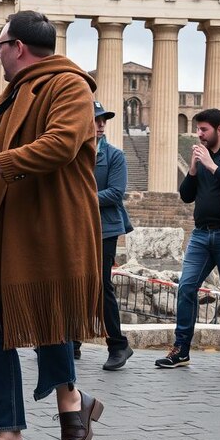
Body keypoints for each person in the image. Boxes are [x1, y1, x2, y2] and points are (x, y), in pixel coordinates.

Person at [0, 10, 104, 440]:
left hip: (52, 226)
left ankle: (73, 405)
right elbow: (1, 165)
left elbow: (62, 143)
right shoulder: (11, 96)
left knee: (47, 316)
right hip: (10, 228)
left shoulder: (71, 85)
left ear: (17, 47)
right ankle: (10, 439)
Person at [155, 108, 220, 373]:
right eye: (198, 129)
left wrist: (212, 166)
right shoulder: (200, 157)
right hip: (201, 234)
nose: (198, 134)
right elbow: (186, 196)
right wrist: (193, 168)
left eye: (204, 130)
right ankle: (181, 350)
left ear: (219, 129)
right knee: (186, 288)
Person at [89, 101, 134, 371]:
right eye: (96, 119)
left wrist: (80, 199)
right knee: (75, 283)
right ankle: (73, 342)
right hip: (76, 226)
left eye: (104, 119)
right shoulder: (71, 153)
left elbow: (116, 194)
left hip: (106, 228)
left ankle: (118, 345)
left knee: (102, 286)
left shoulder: (115, 156)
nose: (101, 123)